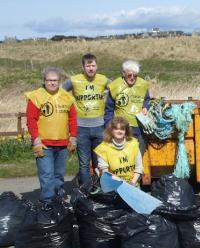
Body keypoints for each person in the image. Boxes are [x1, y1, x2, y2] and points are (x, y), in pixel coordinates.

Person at [25, 67, 77, 203]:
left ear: (59, 81)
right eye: (49, 80)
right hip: (43, 144)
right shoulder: (36, 96)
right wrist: (35, 139)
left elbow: (72, 118)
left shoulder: (67, 97)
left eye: (55, 80)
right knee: (47, 175)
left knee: (59, 175)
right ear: (44, 81)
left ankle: (58, 199)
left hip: (63, 144)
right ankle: (47, 203)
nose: (52, 83)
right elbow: (31, 120)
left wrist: (73, 136)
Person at [62, 53, 110, 185]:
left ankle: (100, 188)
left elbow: (117, 89)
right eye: (88, 66)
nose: (91, 69)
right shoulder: (74, 80)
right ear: (83, 67)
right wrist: (70, 101)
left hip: (99, 127)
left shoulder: (103, 79)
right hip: (81, 128)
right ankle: (86, 191)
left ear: (97, 66)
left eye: (93, 65)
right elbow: (60, 91)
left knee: (100, 161)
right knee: (84, 163)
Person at [104, 60, 150, 155]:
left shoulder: (143, 85)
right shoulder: (114, 86)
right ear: (124, 74)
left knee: (138, 158)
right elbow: (109, 109)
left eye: (135, 76)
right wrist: (109, 128)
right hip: (121, 129)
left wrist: (146, 106)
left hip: (140, 129)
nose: (132, 78)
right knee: (123, 158)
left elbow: (147, 99)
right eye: (129, 75)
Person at [94, 117, 143, 187]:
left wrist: (132, 183)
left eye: (122, 129)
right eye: (116, 129)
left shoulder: (133, 144)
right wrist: (121, 182)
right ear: (111, 130)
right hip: (112, 184)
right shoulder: (103, 148)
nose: (119, 131)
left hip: (132, 184)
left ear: (126, 131)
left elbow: (139, 168)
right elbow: (105, 173)